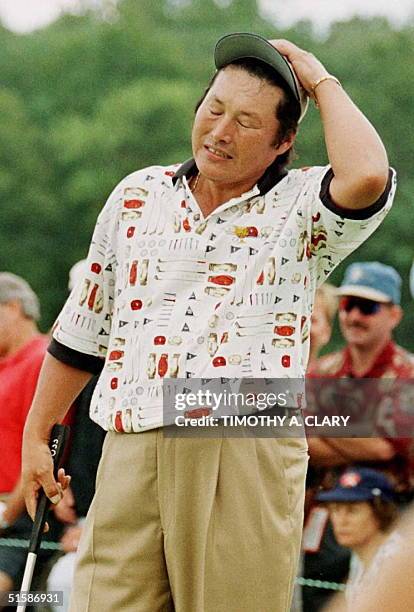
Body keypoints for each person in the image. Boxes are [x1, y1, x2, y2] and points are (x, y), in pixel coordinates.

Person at [21, 32, 395, 612]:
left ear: (284, 140)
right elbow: (84, 326)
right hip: (130, 435)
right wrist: (37, 432)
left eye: (246, 122)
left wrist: (319, 80)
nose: (220, 132)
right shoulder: (138, 193)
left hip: (241, 434)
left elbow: (368, 174)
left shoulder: (302, 204)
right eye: (213, 109)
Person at [303, 261, 414, 611]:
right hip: (330, 517)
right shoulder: (324, 370)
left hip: (390, 518)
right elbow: (303, 445)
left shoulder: (407, 372)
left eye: (367, 307)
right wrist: (362, 430)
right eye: (349, 305)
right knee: (318, 599)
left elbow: (384, 447)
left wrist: (317, 418)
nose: (354, 316)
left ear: (394, 315)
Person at [0, 273, 62, 601]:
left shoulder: (43, 361)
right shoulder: (4, 365)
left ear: (12, 307)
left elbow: (47, 451)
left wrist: (4, 516)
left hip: (25, 516)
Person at [316, 467, 400, 610]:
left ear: (380, 512)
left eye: (353, 511)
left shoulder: (396, 561)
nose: (341, 521)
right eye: (336, 509)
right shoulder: (361, 556)